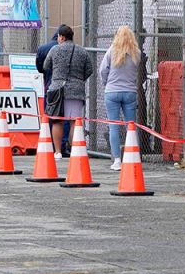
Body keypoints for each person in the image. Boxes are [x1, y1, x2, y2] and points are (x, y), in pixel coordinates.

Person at [99, 25, 145, 171]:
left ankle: (117, 160)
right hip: (130, 91)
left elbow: (103, 70)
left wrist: (106, 84)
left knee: (113, 126)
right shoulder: (136, 53)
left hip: (112, 91)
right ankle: (133, 157)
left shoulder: (112, 51)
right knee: (131, 126)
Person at [45, 25, 94, 157]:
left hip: (57, 90)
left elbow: (46, 65)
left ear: (61, 37)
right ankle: (74, 151)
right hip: (76, 91)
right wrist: (79, 79)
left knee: (57, 121)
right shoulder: (82, 51)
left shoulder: (54, 50)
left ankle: (58, 152)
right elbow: (90, 69)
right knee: (74, 122)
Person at [35, 35, 62, 154]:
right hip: (62, 84)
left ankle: (48, 141)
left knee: (49, 113)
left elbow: (40, 67)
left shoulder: (43, 48)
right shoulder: (62, 48)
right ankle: (62, 146)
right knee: (63, 117)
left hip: (48, 83)